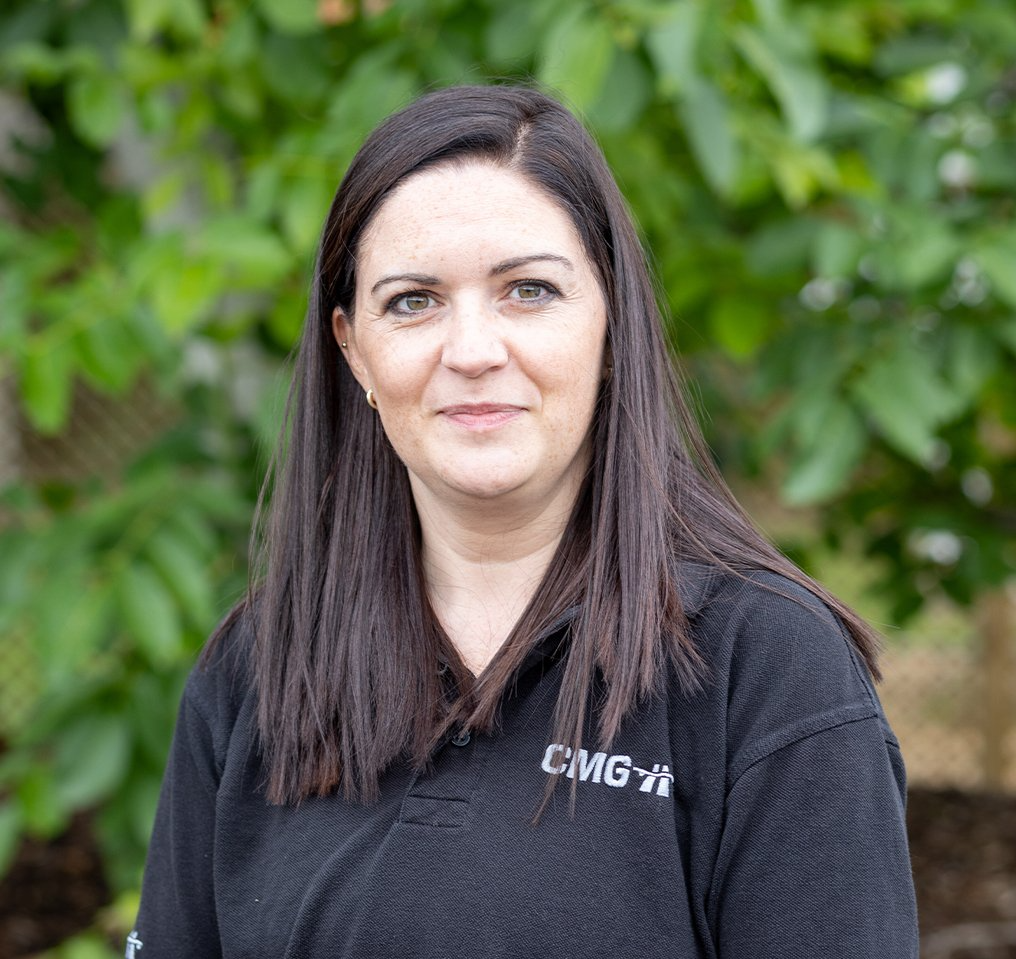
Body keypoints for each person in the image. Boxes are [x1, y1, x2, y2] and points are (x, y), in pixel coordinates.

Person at [130, 84, 918, 958]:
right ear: (353, 349)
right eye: (412, 301)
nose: (472, 350)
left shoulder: (765, 669)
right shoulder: (257, 669)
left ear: (612, 324)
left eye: (529, 290)